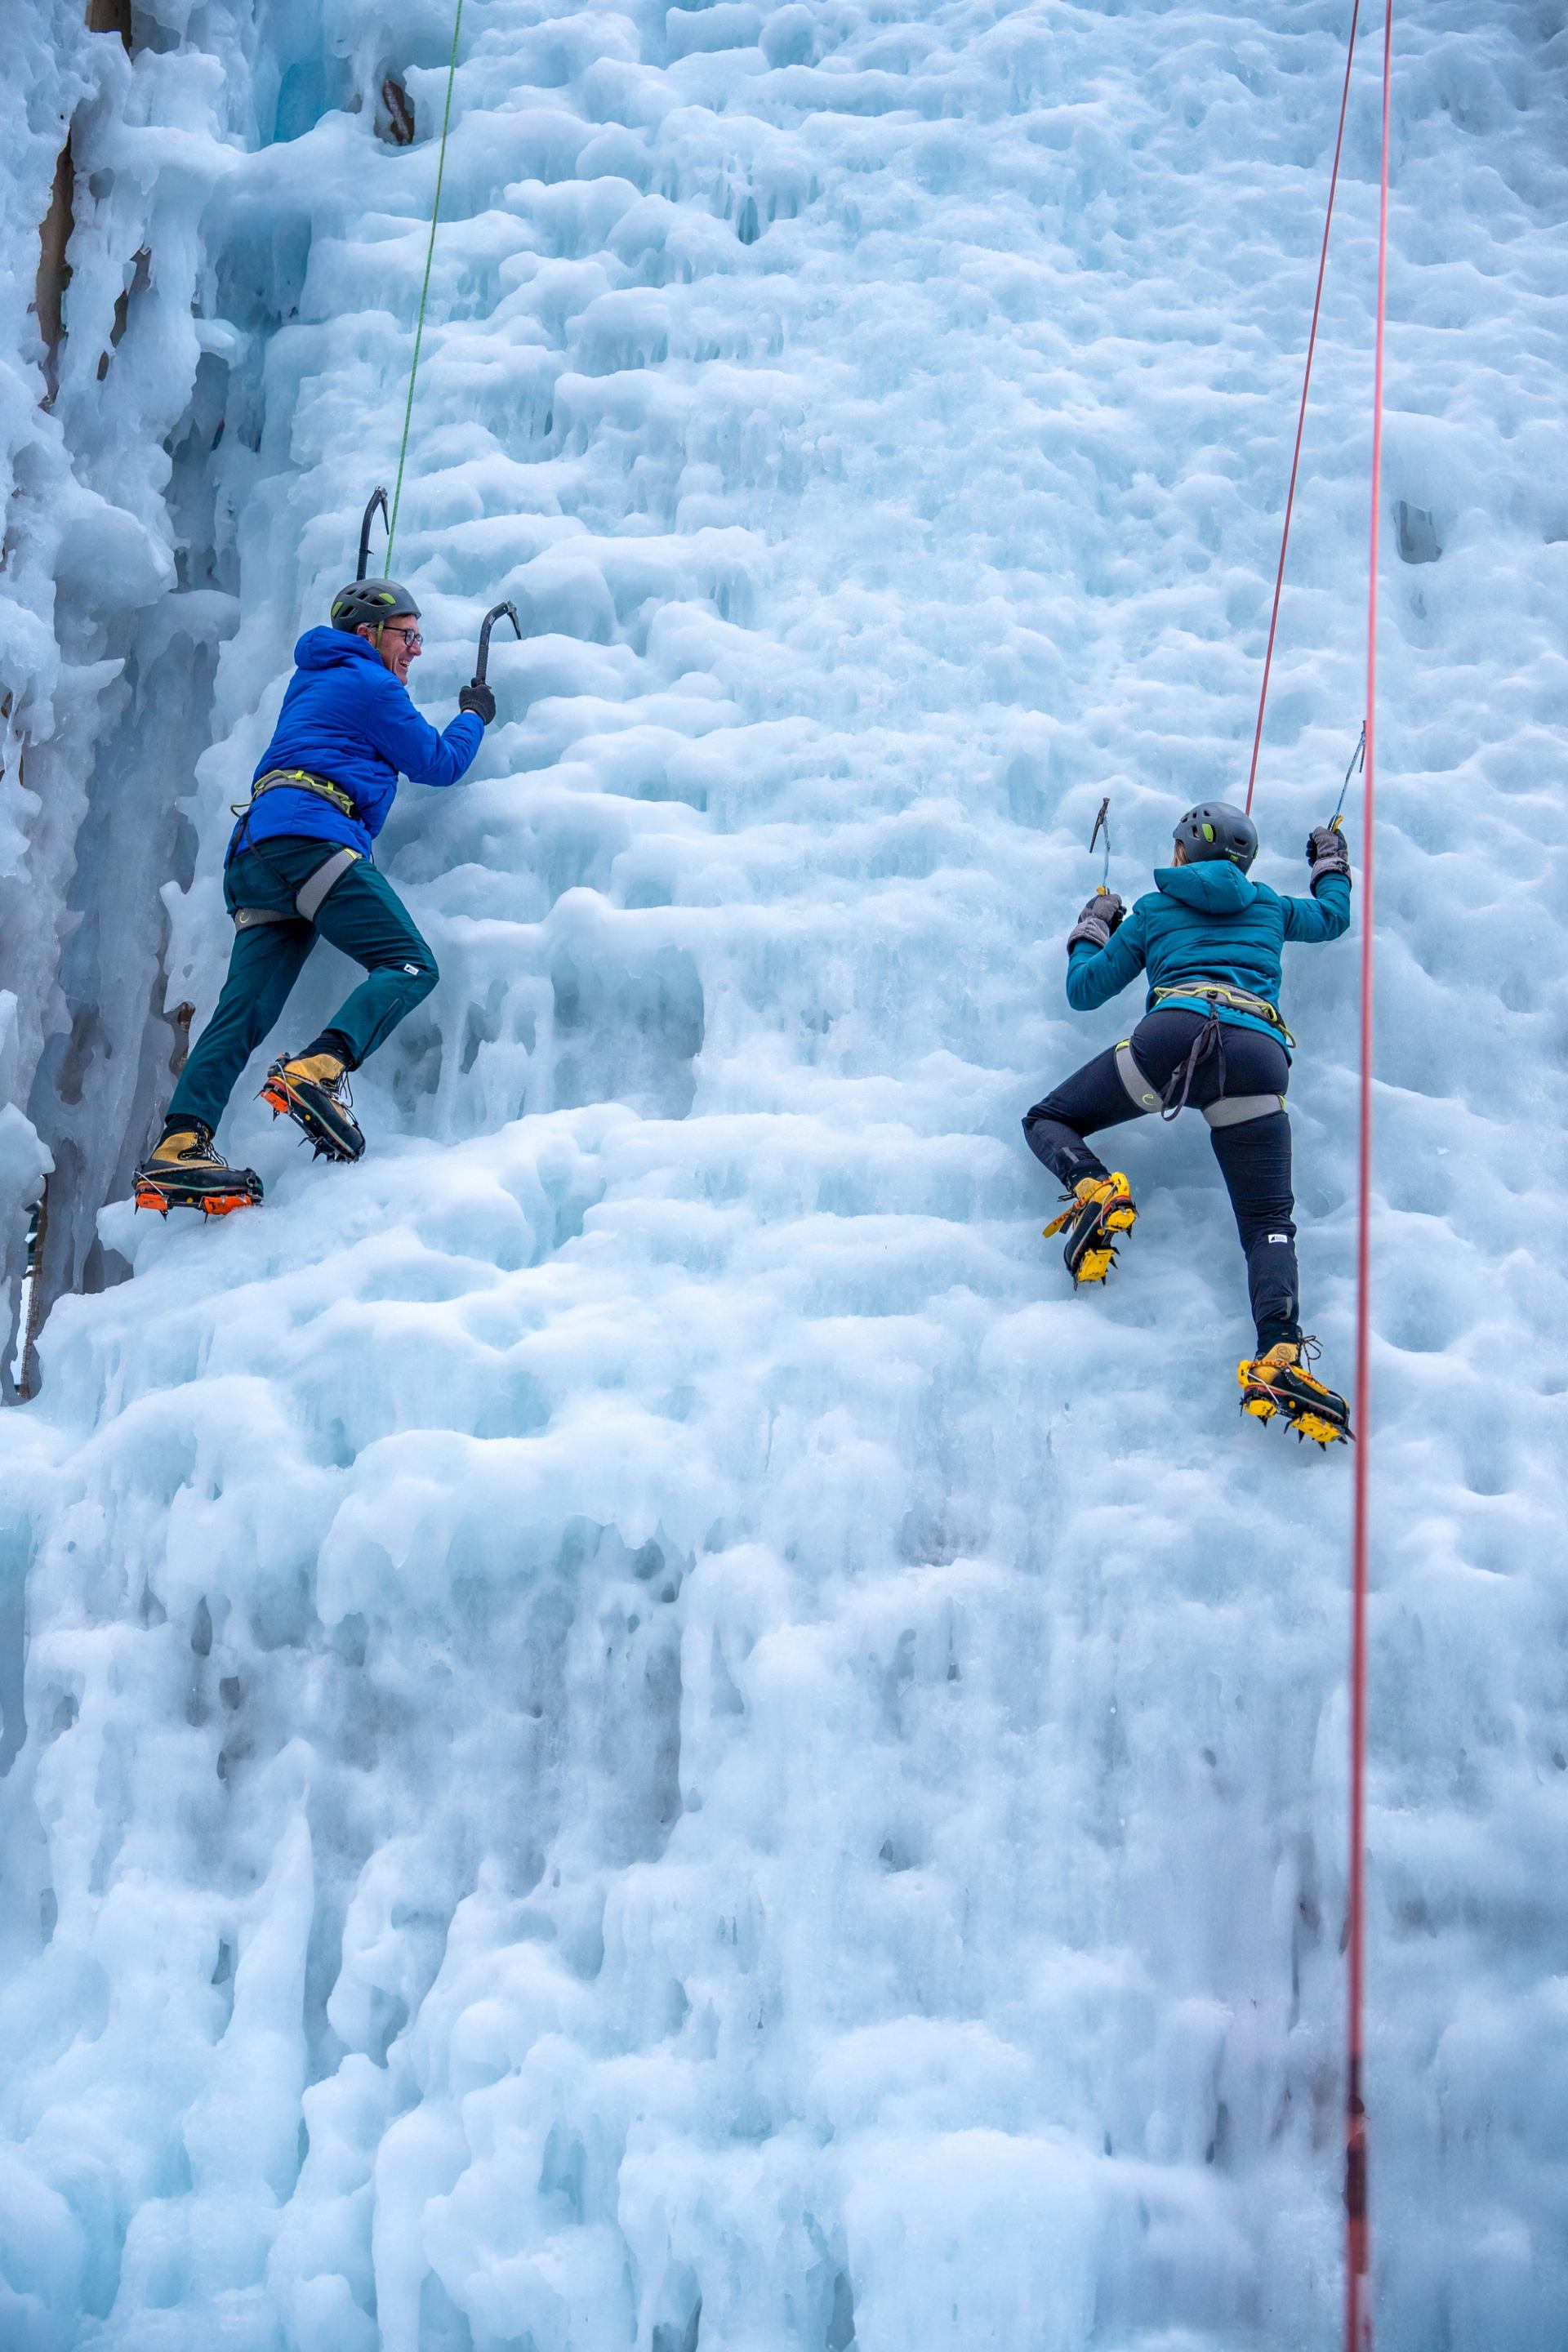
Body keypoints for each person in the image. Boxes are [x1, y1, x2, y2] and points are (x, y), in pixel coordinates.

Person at [134, 576, 497, 1215]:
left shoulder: (313, 680)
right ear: (369, 635)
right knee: (410, 964)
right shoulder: (369, 682)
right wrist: (473, 715)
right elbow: (438, 763)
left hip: (256, 854)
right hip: (312, 838)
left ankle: (181, 1141)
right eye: (407, 636)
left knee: (241, 1014)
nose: (415, 649)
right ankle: (319, 1068)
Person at [1022, 799, 1354, 1446]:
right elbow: (1334, 918)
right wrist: (1330, 861)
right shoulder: (1269, 906)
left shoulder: (1153, 910)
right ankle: (1279, 1353)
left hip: (1171, 1040)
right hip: (1257, 1055)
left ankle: (1094, 1187)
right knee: (1268, 1227)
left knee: (1049, 1118)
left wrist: (1092, 924)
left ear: (1181, 853)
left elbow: (1084, 990)